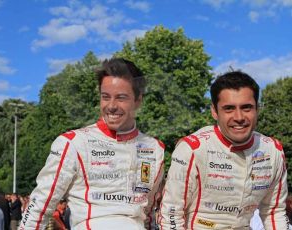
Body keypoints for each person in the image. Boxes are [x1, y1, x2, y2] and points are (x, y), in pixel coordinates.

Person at [19, 58, 165, 229]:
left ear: (138, 100)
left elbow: (147, 214)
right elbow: (39, 206)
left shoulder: (155, 149)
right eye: (105, 97)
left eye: (121, 98)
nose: (111, 106)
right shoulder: (73, 143)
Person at [159, 71, 288, 229]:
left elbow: (273, 212)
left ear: (257, 109)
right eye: (229, 109)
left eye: (247, 108)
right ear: (214, 111)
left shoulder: (273, 151)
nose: (239, 117)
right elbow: (171, 213)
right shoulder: (193, 149)